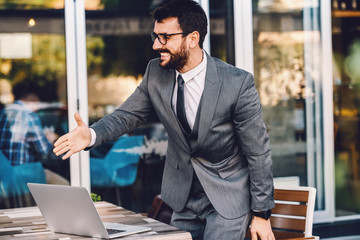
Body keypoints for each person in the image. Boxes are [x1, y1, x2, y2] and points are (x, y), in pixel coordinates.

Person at [54, 0, 275, 239]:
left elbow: (257, 152)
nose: (155, 45)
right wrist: (92, 135)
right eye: (155, 36)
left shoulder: (237, 83)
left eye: (165, 37)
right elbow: (127, 115)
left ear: (192, 39)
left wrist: (261, 214)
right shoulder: (155, 73)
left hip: (228, 201)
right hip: (183, 200)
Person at [0, 81, 69, 185]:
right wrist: (51, 139)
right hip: (22, 172)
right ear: (33, 97)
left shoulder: (3, 112)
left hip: (4, 173)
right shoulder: (28, 115)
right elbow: (44, 150)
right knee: (64, 184)